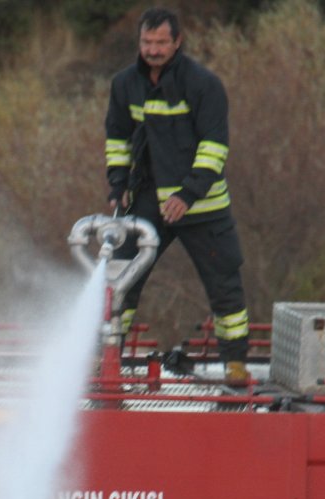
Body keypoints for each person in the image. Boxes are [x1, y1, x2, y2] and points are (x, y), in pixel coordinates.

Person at [105, 7, 251, 384]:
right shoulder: (125, 84)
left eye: (160, 43)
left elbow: (214, 147)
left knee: (224, 282)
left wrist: (188, 194)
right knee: (120, 277)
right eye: (146, 42)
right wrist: (118, 187)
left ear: (177, 42)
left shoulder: (204, 85)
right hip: (147, 201)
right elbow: (117, 139)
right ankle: (106, 357)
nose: (152, 50)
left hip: (203, 205)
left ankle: (235, 363)